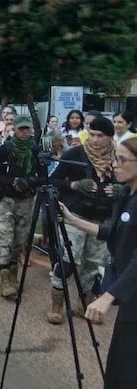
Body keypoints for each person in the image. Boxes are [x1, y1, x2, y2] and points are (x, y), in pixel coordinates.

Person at [58, 137, 137, 389]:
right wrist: (73, 220)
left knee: (127, 375)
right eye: (116, 158)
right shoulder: (127, 194)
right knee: (119, 370)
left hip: (131, 296)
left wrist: (108, 296)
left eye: (123, 160)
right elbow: (111, 232)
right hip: (130, 300)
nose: (115, 164)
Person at [46, 115, 118, 325]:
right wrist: (75, 186)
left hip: (103, 220)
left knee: (95, 265)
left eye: (100, 136)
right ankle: (56, 304)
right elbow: (53, 180)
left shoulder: (119, 157)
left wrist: (121, 190)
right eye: (92, 134)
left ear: (110, 137)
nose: (94, 140)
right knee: (68, 260)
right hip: (75, 216)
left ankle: (84, 302)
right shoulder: (76, 153)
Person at [0, 115, 46, 298]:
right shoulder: (3, 150)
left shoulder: (36, 150)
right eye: (21, 129)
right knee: (5, 238)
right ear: (14, 130)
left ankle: (13, 274)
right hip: (6, 199)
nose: (24, 132)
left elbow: (44, 177)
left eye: (27, 129)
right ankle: (4, 278)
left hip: (26, 200)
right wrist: (12, 181)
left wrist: (29, 181)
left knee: (20, 241)